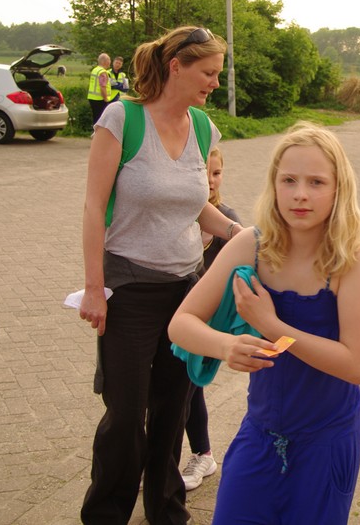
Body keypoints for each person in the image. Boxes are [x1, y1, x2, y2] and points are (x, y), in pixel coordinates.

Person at [168, 122, 360, 525]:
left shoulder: (351, 256)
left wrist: (271, 324)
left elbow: (357, 365)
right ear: (274, 185)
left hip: (326, 444)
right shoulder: (252, 243)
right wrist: (226, 346)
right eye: (289, 180)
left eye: (317, 182)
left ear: (339, 188)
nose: (300, 194)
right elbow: (181, 324)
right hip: (260, 436)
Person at [78, 26, 243, 525]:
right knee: (126, 414)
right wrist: (94, 289)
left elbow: (197, 207)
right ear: (176, 67)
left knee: (173, 411)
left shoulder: (203, 127)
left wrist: (239, 234)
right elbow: (93, 206)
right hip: (128, 286)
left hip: (186, 291)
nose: (215, 82)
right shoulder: (122, 119)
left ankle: (167, 512)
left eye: (217, 73)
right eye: (208, 72)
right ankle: (106, 513)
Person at [179, 146, 240, 492]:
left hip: (207, 322)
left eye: (216, 173)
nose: (211, 180)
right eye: (204, 173)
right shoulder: (179, 214)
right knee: (177, 389)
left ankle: (203, 454)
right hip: (177, 314)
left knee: (189, 387)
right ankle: (161, 458)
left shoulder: (227, 220)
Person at [87, 53, 112, 124]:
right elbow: (102, 87)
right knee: (101, 120)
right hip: (100, 99)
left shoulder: (95, 70)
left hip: (92, 97)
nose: (110, 62)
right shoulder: (102, 72)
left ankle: (95, 130)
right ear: (105, 61)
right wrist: (106, 99)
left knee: (95, 118)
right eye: (109, 60)